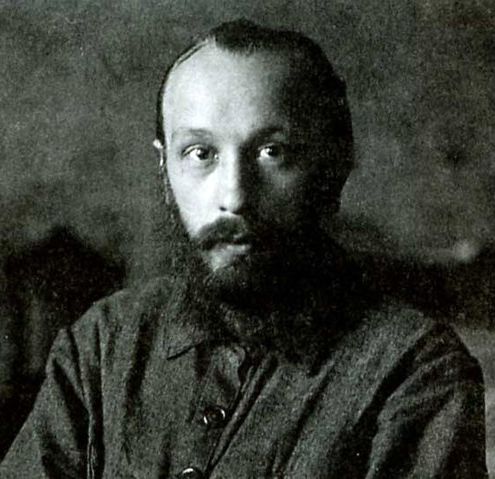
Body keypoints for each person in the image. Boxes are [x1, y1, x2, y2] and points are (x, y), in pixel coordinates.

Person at [0, 20, 487, 478]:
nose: (234, 196)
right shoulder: (102, 344)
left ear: (335, 163)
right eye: (201, 154)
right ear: (165, 169)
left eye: (272, 152)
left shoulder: (416, 373)